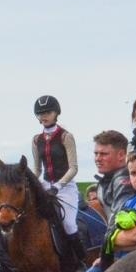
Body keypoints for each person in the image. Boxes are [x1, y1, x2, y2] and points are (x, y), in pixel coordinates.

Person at [30, 95, 81, 245]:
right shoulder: (35, 140)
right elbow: (37, 169)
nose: (43, 116)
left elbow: (74, 167)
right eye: (40, 113)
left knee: (69, 224)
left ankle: (79, 260)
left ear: (56, 113)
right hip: (46, 185)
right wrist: (31, 182)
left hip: (65, 187)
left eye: (47, 112)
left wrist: (58, 186)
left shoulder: (66, 137)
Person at [91, 131, 134, 220]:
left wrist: (108, 234)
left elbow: (120, 219)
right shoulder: (106, 180)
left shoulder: (123, 180)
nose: (98, 159)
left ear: (121, 155)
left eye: (104, 154)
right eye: (96, 154)